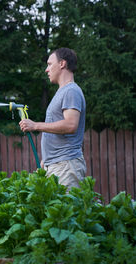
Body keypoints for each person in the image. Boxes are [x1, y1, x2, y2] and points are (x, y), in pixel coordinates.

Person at [19, 48, 86, 191]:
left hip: (66, 167)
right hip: (57, 166)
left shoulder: (71, 91)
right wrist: (46, 162)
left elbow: (70, 125)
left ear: (62, 64)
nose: (46, 69)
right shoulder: (62, 92)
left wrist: (35, 125)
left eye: (49, 64)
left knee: (66, 212)